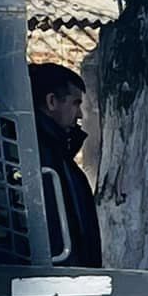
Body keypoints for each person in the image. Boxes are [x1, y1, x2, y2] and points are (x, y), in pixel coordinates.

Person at [30, 62, 103, 267]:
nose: (80, 114)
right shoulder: (36, 154)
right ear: (52, 101)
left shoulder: (56, 153)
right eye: (75, 103)